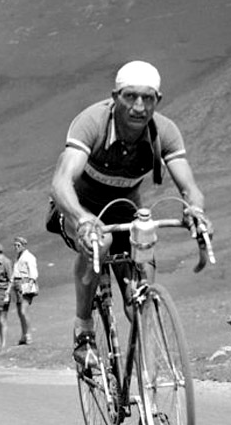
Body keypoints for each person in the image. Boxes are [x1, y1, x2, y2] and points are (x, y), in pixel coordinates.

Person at [48, 60, 210, 364]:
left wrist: (196, 211)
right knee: (100, 243)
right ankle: (84, 328)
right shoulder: (92, 122)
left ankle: (150, 371)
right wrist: (82, 219)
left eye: (147, 98)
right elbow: (61, 182)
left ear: (158, 100)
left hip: (125, 210)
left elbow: (190, 188)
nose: (139, 107)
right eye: (130, 96)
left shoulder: (165, 131)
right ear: (115, 97)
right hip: (78, 207)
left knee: (139, 289)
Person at [11, 236, 39, 345]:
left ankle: (28, 335)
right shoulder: (17, 258)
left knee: (23, 310)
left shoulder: (29, 257)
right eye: (15, 245)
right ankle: (23, 334)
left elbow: (33, 273)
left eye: (18, 245)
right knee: (19, 312)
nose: (16, 247)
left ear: (23, 245)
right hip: (18, 285)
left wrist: (29, 285)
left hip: (26, 284)